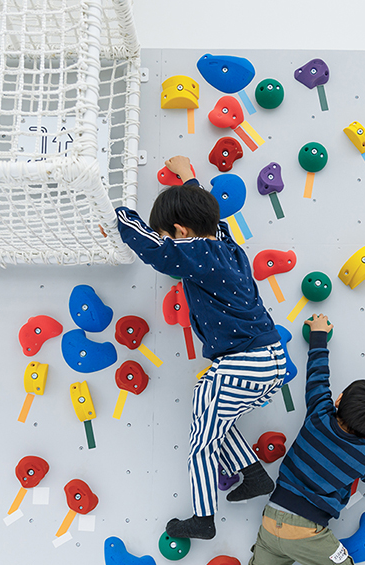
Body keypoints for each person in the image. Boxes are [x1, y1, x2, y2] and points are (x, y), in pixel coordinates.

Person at [201, 313, 365, 565]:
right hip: (307, 531)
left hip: (272, 518)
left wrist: (319, 336)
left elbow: (318, 374)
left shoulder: (320, 411)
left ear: (338, 402)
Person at [115, 155, 287, 540]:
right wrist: (189, 179)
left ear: (180, 231)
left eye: (171, 234)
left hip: (242, 362)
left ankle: (203, 517)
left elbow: (156, 250)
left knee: (201, 443)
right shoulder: (228, 245)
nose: (171, 243)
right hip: (270, 360)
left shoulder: (196, 252)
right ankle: (255, 474)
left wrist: (114, 211)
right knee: (214, 419)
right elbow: (210, 218)